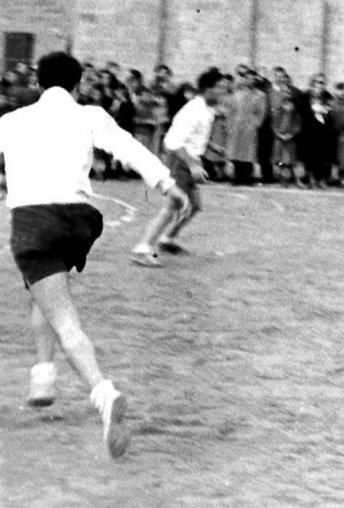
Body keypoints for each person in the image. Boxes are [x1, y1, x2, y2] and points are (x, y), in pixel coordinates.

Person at [0, 52, 190, 457]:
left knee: (62, 314)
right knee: (47, 289)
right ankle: (43, 376)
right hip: (78, 220)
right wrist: (168, 185)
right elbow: (131, 149)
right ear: (78, 83)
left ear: (37, 81)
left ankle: (102, 393)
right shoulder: (91, 115)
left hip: (34, 221)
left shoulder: (11, 122)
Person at [132, 67, 227, 266]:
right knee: (174, 205)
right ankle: (143, 248)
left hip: (189, 161)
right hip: (181, 162)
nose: (223, 93)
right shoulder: (194, 110)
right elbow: (173, 141)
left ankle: (166, 239)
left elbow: (192, 137)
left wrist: (212, 147)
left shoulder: (207, 109)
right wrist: (192, 164)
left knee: (194, 206)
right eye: (219, 88)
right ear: (207, 89)